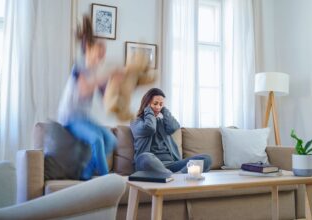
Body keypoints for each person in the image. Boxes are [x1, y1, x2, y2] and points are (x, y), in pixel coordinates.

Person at [58, 16, 122, 180]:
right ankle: (105, 180)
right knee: (96, 139)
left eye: (104, 54)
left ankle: (86, 173)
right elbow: (84, 90)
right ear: (88, 48)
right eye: (100, 53)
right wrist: (107, 74)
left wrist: (116, 83)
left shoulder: (96, 72)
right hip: (70, 117)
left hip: (84, 117)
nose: (102, 57)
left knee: (110, 140)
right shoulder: (79, 66)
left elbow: (105, 97)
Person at [130, 88, 212, 174]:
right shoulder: (136, 121)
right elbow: (150, 128)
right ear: (146, 104)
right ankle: (172, 176)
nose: (158, 107)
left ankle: (175, 175)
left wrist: (164, 110)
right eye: (155, 104)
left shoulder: (163, 122)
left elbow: (174, 127)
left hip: (172, 165)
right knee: (145, 157)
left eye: (161, 104)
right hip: (149, 163)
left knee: (206, 159)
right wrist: (148, 110)